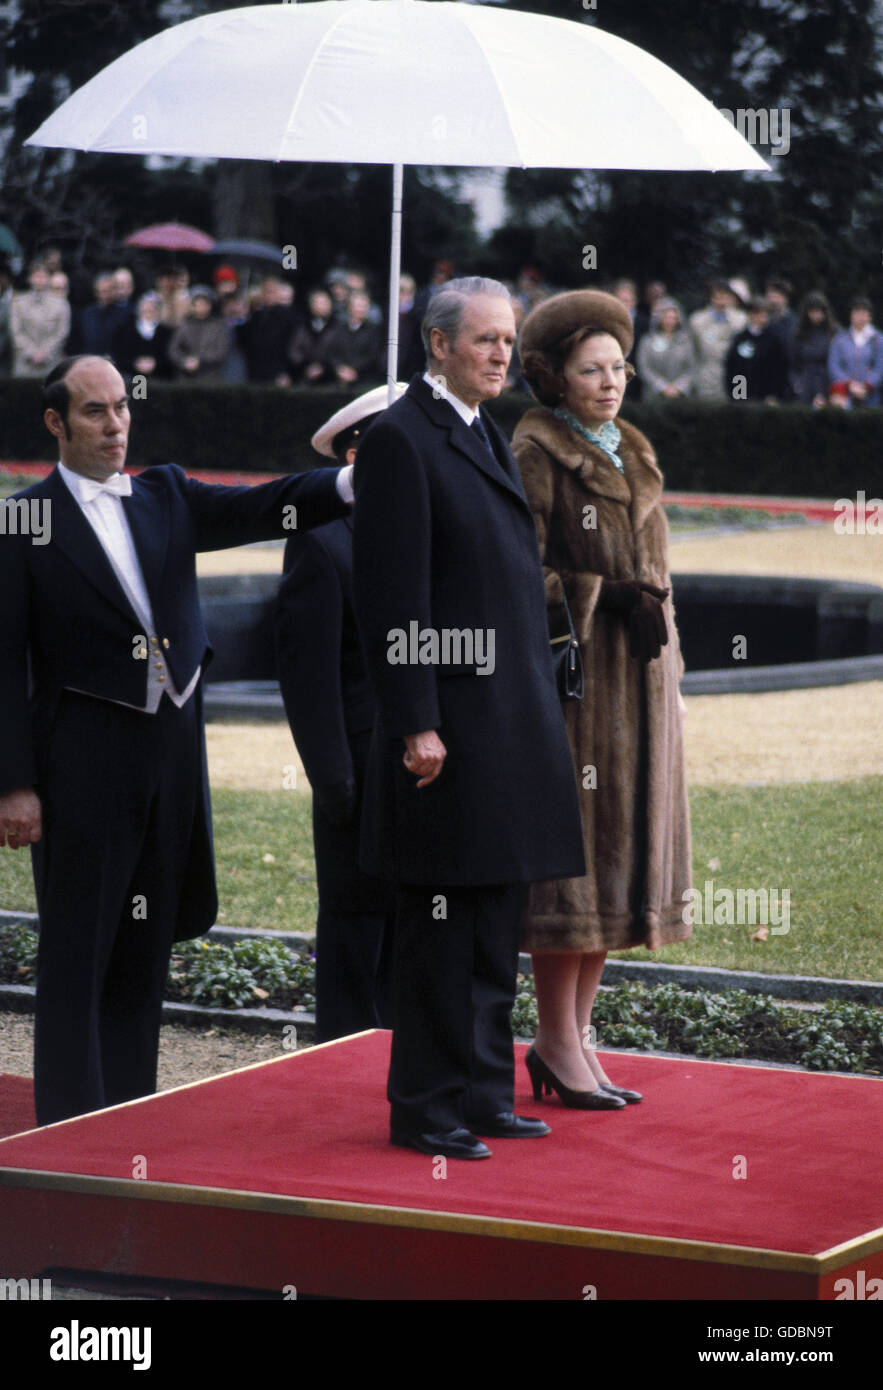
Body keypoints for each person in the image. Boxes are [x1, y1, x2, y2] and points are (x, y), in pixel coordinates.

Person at [0, 354, 354, 1127]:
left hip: (171, 752)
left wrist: (349, 483)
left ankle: (126, 1110)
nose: (115, 424)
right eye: (94, 411)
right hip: (82, 757)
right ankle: (68, 1125)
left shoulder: (164, 493)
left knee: (145, 937)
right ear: (56, 422)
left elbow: (263, 506)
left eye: (122, 407)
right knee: (78, 950)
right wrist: (14, 784)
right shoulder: (23, 519)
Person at [352, 277, 585, 1160]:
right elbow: (392, 596)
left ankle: (484, 1093)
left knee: (492, 922)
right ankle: (425, 1106)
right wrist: (416, 721)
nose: (500, 353)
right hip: (445, 735)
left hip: (505, 727)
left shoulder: (482, 427)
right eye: (484, 339)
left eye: (507, 340)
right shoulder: (399, 439)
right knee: (442, 929)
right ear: (438, 343)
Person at [513, 290, 691, 1109]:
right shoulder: (534, 448)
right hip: (576, 695)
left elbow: (658, 576)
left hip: (641, 689)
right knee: (573, 877)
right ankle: (553, 1040)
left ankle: (578, 1039)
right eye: (591, 370)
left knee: (618, 868)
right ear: (553, 376)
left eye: (618, 367)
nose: (610, 381)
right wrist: (599, 597)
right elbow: (514, 575)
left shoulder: (632, 447)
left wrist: (671, 674)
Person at [275, 387, 404, 1042]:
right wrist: (334, 783)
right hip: (356, 768)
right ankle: (342, 1063)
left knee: (415, 929)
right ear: (354, 456)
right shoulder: (320, 542)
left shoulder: (424, 532)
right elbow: (308, 679)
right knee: (356, 929)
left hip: (426, 766)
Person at [10, 261, 71, 377]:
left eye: (43, 276)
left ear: (48, 279)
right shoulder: (18, 303)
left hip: (50, 363)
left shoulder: (61, 304)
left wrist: (44, 353)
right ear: (30, 279)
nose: (39, 280)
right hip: (25, 364)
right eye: (36, 276)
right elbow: (15, 332)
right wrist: (31, 353)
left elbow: (62, 332)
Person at [689, 279, 746, 399]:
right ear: (710, 298)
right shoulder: (697, 321)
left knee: (739, 408)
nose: (721, 301)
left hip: (738, 377)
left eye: (725, 297)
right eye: (717, 297)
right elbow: (693, 352)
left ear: (731, 298)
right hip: (707, 376)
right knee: (708, 408)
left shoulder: (742, 320)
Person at [724, 297, 790, 402]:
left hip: (765, 397)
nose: (763, 318)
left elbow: (779, 369)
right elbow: (735, 369)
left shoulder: (774, 339)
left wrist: (773, 394)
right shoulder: (740, 338)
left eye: (766, 314)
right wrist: (738, 395)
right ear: (751, 315)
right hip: (743, 397)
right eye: (760, 314)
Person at [827, 297, 883, 408]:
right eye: (857, 312)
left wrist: (866, 386)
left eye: (864, 313)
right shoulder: (839, 339)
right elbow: (833, 366)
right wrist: (849, 385)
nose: (860, 317)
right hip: (844, 397)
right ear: (851, 315)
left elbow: (880, 367)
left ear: (870, 316)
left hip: (871, 397)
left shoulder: (878, 339)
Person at [635, 297, 696, 399]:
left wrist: (679, 387)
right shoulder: (648, 340)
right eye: (666, 317)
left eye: (673, 318)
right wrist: (662, 386)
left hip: (680, 396)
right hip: (653, 395)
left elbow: (692, 367)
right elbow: (644, 367)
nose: (670, 321)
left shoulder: (686, 341)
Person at [167, 286, 231, 380]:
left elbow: (221, 351)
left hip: (211, 376)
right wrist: (184, 361)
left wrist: (200, 361)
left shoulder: (219, 326)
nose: (200, 306)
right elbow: (173, 349)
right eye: (197, 303)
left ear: (210, 305)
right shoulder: (184, 325)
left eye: (204, 303)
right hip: (186, 377)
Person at [789, 291, 837, 407]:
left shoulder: (833, 332)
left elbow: (835, 363)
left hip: (826, 383)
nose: (817, 315)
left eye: (819, 311)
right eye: (813, 311)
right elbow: (793, 363)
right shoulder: (798, 333)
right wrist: (797, 384)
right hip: (804, 384)